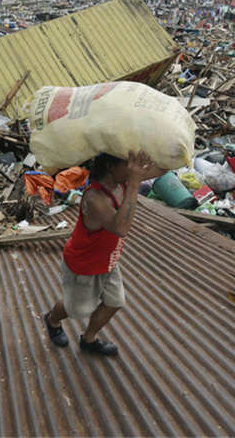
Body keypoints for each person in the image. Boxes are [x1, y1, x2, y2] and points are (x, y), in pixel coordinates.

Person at [44, 151, 158, 356]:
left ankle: (88, 339)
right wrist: (134, 183)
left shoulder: (121, 181)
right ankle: (52, 320)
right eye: (128, 164)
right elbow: (121, 227)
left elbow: (162, 167)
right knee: (76, 309)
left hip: (108, 261)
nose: (133, 168)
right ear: (110, 166)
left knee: (115, 302)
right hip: (84, 264)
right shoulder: (95, 197)